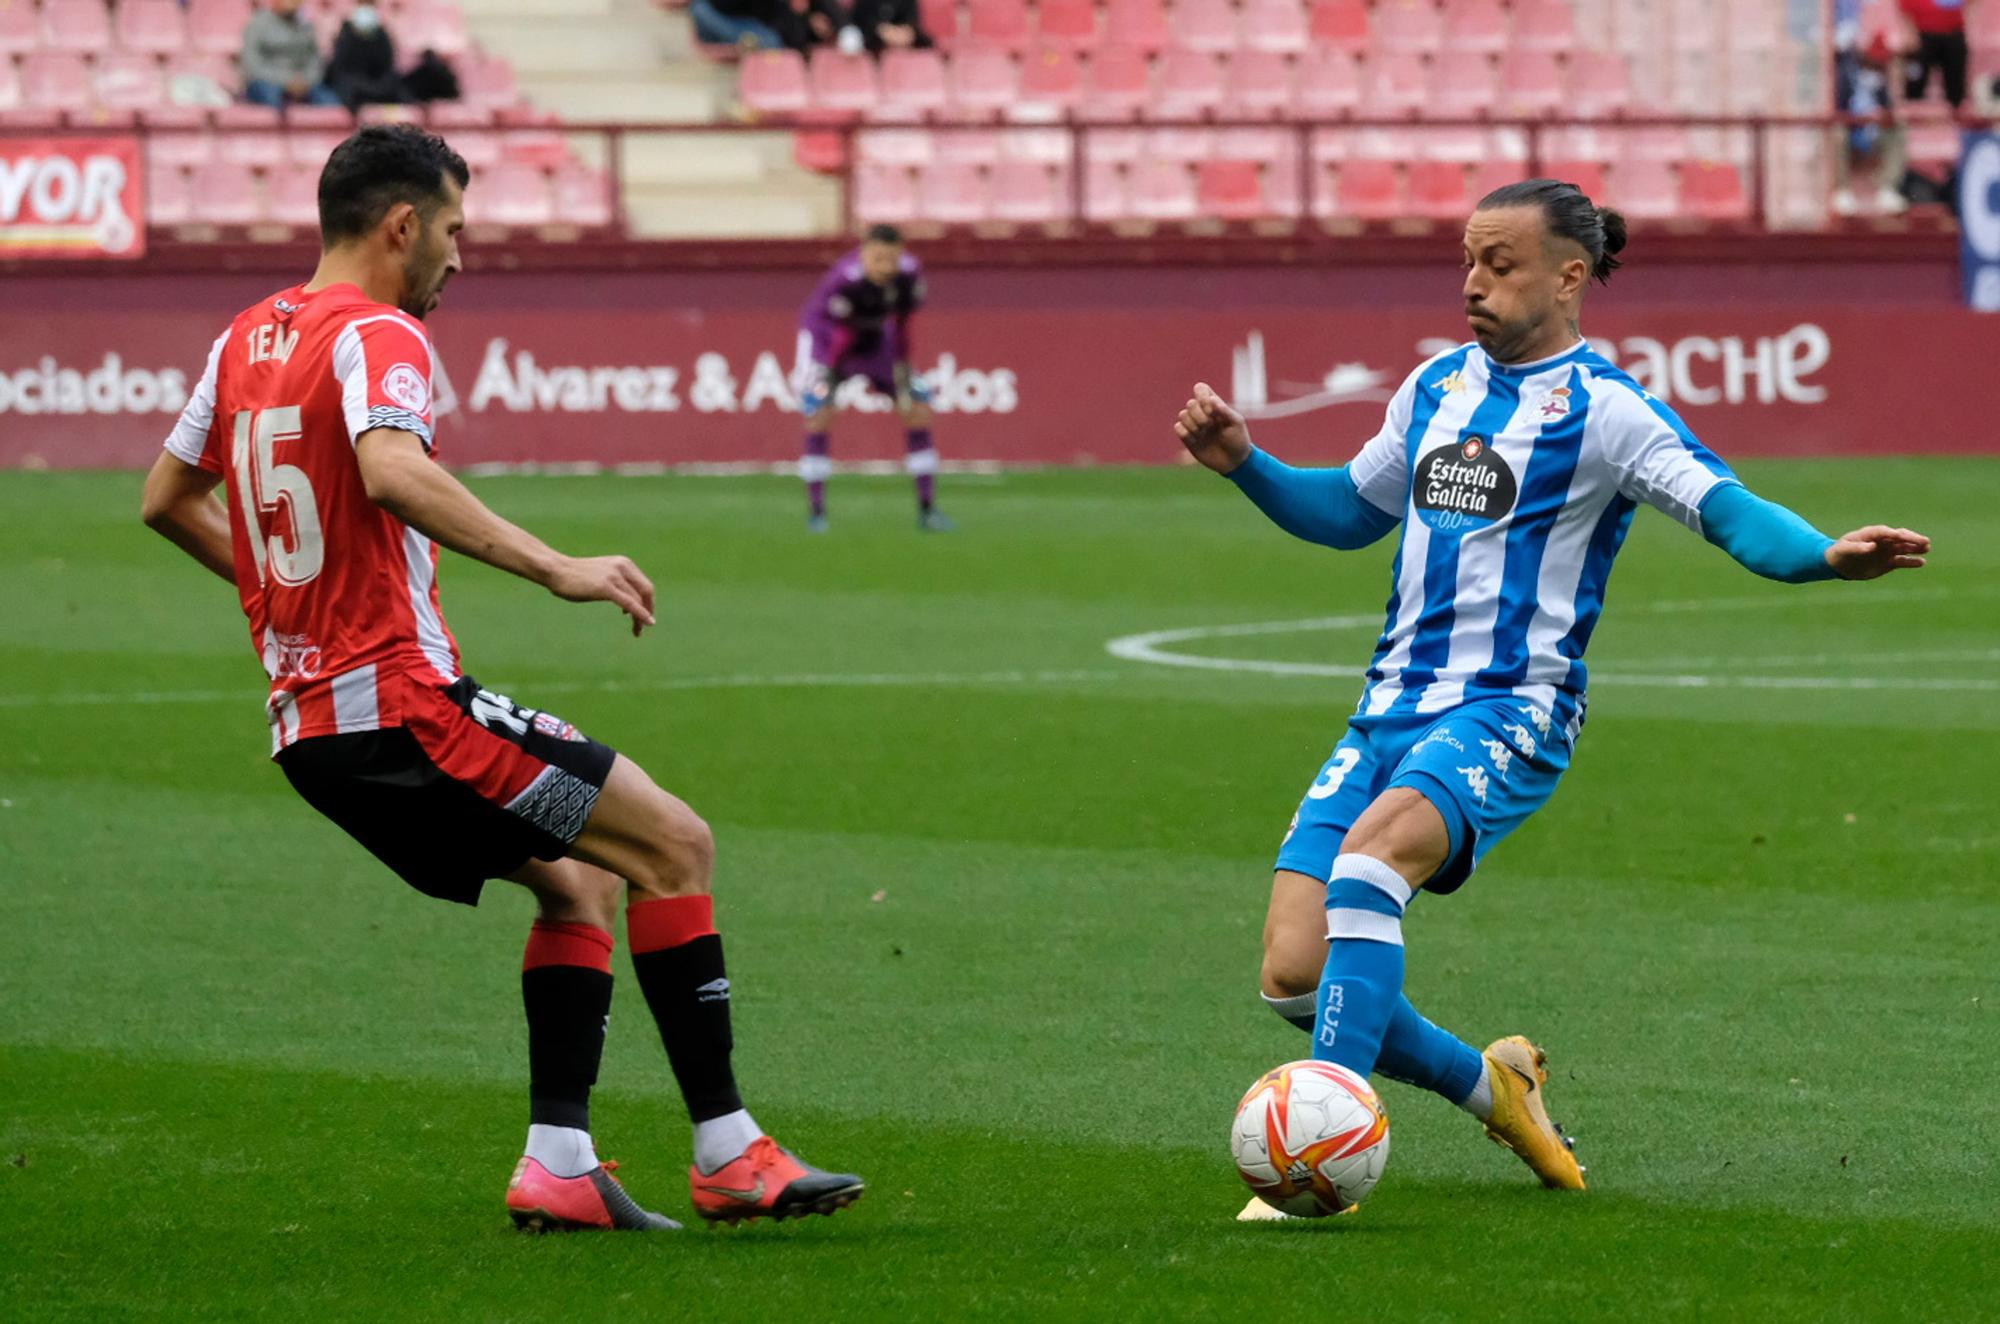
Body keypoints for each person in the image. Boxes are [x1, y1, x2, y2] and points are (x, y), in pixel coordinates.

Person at [138, 124, 863, 1233]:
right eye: (454, 229)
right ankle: (727, 1150)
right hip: (404, 710)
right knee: (675, 844)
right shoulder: (380, 333)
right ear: (400, 224)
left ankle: (559, 1162)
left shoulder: (244, 338)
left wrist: (287, 601)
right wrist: (554, 565)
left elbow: (164, 497)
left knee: (582, 881)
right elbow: (389, 467)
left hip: (313, 732)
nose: (460, 257)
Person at [1172, 179, 1931, 1220]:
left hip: (1512, 708)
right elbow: (1351, 511)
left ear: (1569, 274)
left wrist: (1821, 556)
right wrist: (1246, 466)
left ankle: (1320, 1143)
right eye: (1467, 263)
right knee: (1294, 976)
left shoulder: (1607, 413)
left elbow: (1726, 510)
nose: (1473, 283)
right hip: (1388, 707)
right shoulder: (1434, 386)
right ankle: (1497, 1088)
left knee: (1367, 863)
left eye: (1499, 263)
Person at [795, 223, 952, 532]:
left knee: (917, 408)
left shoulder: (909, 275)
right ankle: (817, 513)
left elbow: (904, 326)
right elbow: (842, 336)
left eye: (891, 258)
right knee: (820, 413)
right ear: (863, 254)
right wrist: (829, 381)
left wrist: (904, 375)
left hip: (877, 338)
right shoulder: (845, 281)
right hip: (828, 341)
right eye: (878, 258)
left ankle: (927, 510)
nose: (885, 266)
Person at [240, 0, 342, 109]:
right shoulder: (258, 24)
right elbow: (252, 65)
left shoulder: (305, 26)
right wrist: (286, 81)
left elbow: (314, 61)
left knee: (331, 101)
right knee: (273, 99)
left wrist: (306, 81)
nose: (293, 3)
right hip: (269, 82)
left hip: (304, 84)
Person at [326, 4, 406, 112]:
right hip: (354, 90)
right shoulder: (345, 35)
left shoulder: (382, 35)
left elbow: (388, 67)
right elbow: (339, 70)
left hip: (379, 87)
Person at [690, 0, 787, 51]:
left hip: (752, 22)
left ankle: (747, 44)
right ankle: (747, 44)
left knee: (773, 43)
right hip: (718, 17)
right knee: (699, 8)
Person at [847, 0, 934, 52]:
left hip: (904, 43)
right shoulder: (864, 3)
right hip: (871, 46)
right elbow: (857, 21)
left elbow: (912, 22)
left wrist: (904, 32)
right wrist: (881, 30)